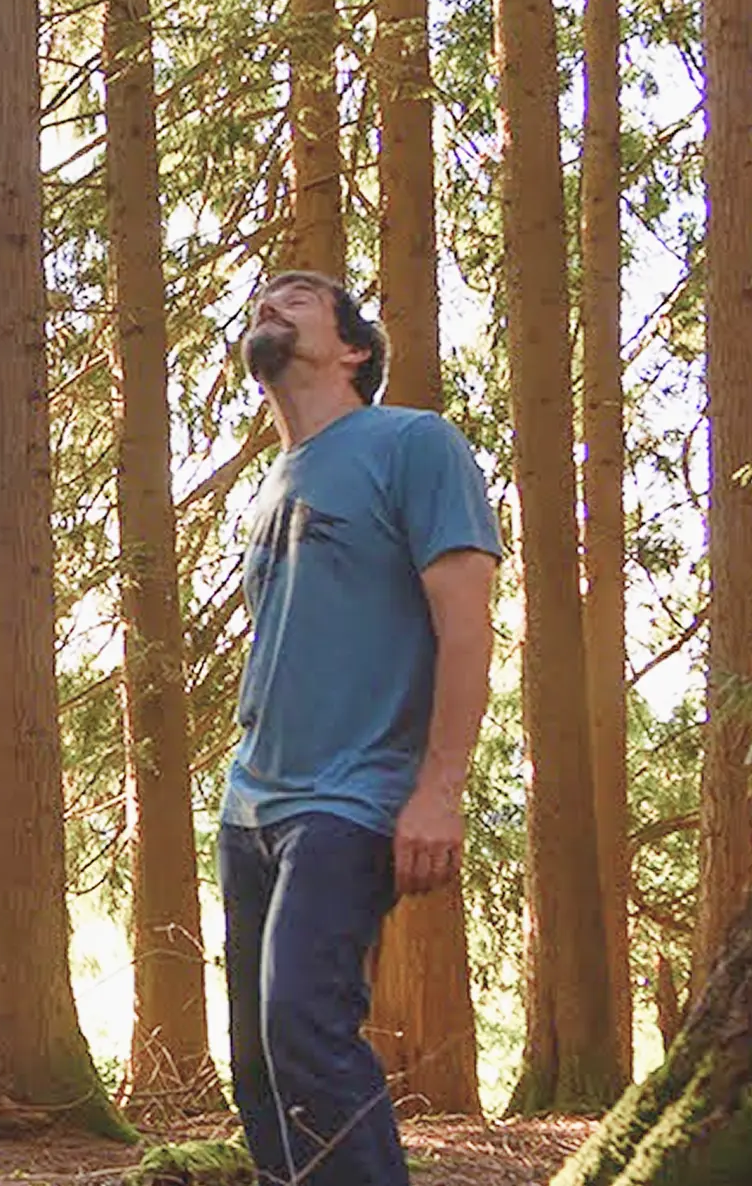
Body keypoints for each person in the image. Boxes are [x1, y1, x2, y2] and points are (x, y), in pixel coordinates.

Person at [219, 271, 501, 1186]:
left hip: (355, 796)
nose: (272, 302)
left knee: (304, 1023)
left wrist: (440, 789)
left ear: (354, 350)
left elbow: (465, 619)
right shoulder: (268, 488)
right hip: (251, 805)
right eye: (264, 297)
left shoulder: (413, 443)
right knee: (260, 1060)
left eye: (299, 298)